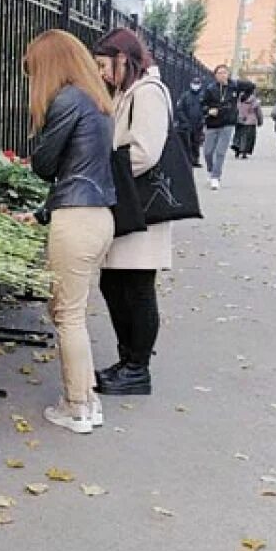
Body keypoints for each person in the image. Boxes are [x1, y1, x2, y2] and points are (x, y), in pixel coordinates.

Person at [22, 30, 116, 434]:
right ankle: (87, 399)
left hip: (77, 221)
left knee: (68, 315)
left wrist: (38, 137)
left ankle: (78, 406)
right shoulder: (96, 101)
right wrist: (43, 213)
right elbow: (81, 169)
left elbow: (45, 165)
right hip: (98, 217)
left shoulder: (66, 100)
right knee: (70, 311)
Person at [91, 28, 173, 397]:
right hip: (127, 204)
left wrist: (101, 171)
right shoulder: (129, 92)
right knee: (115, 283)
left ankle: (138, 369)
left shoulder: (148, 93)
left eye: (104, 65)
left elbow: (144, 152)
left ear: (124, 59)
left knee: (137, 288)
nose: (102, 73)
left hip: (140, 208)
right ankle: (128, 361)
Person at [200, 64, 240, 189]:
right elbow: (202, 105)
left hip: (228, 123)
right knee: (207, 151)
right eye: (220, 73)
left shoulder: (234, 87)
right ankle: (211, 170)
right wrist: (208, 110)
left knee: (220, 151)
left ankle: (216, 177)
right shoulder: (210, 89)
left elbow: (250, 87)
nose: (222, 75)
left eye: (225, 73)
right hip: (212, 123)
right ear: (215, 75)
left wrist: (233, 82)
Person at [174, 78, 205, 166]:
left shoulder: (202, 96)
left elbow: (205, 109)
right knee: (186, 143)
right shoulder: (185, 96)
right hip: (186, 124)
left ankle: (195, 160)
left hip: (198, 125)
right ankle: (186, 161)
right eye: (194, 83)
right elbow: (179, 109)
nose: (196, 85)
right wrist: (184, 121)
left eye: (197, 83)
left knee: (196, 143)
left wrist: (202, 120)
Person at [231, 81, 262, 159]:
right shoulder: (254, 100)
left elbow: (235, 109)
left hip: (239, 120)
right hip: (250, 121)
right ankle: (244, 152)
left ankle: (237, 149)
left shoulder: (239, 98)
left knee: (238, 135)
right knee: (248, 137)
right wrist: (260, 121)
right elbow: (258, 112)